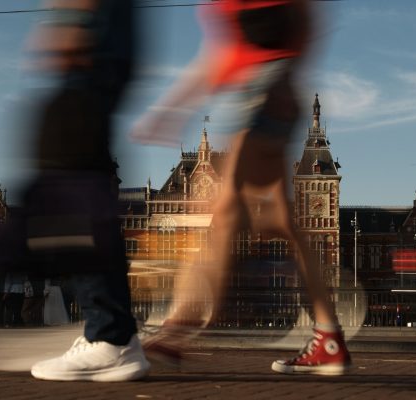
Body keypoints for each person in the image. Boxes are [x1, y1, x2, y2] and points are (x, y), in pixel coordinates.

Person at [132, 0, 351, 375]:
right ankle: (329, 337)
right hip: (281, 93)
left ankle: (177, 329)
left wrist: (173, 106)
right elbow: (306, 24)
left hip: (259, 94)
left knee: (226, 211)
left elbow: (219, 54)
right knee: (287, 223)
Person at [0, 0, 149, 381]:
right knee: (80, 166)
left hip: (98, 29)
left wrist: (68, 16)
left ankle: (110, 336)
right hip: (103, 29)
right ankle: (113, 334)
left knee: (69, 162)